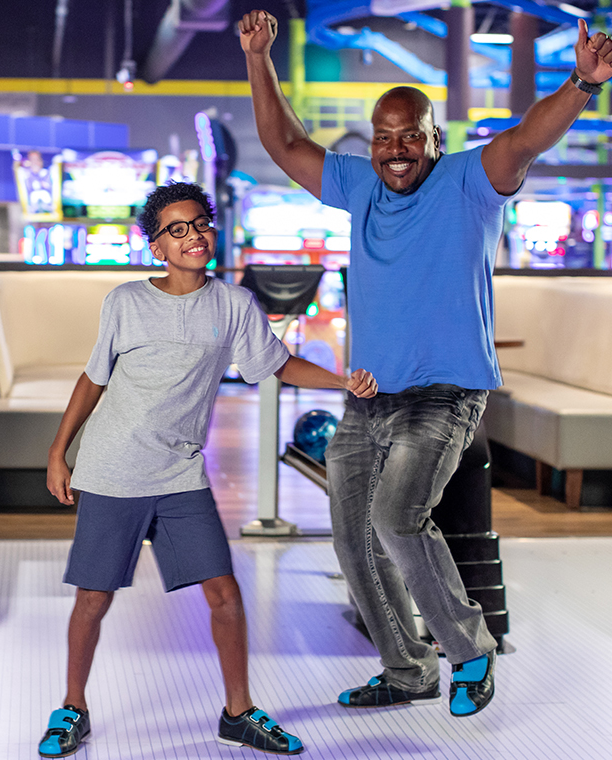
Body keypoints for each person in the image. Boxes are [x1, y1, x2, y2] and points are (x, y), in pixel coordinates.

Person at [239, 9, 612, 718]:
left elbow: (527, 135)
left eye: (411, 135)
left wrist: (582, 84)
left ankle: (469, 650)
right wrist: (259, 57)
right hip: (368, 396)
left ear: (435, 138)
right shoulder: (359, 187)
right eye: (384, 138)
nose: (396, 149)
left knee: (396, 518)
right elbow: (283, 140)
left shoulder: (472, 181)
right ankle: (407, 670)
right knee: (354, 539)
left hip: (445, 396)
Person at [38, 181, 377, 758]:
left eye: (199, 224)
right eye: (177, 229)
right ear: (156, 247)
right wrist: (57, 451)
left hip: (179, 475)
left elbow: (278, 364)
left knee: (224, 593)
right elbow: (93, 377)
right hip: (113, 469)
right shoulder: (124, 301)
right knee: (93, 598)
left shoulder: (233, 304)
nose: (192, 236)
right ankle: (72, 707)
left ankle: (238, 713)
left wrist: (342, 378)